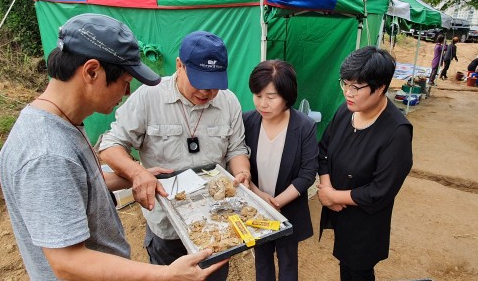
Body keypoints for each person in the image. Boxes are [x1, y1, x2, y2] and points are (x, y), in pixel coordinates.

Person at [0, 13, 226, 281]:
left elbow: (79, 186)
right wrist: (165, 275)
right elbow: (68, 263)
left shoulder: (62, 124)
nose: (127, 94)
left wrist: (135, 175)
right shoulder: (47, 153)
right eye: (125, 83)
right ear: (92, 71)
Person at [97, 31, 251, 280]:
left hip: (217, 220)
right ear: (179, 65)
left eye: (214, 85)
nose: (206, 92)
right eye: (199, 82)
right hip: (167, 225)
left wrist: (242, 172)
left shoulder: (229, 102)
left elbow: (236, 149)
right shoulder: (149, 97)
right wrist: (138, 173)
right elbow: (111, 145)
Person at [317, 46, 413, 281]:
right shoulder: (346, 111)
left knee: (358, 270)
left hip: (366, 222)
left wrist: (334, 197)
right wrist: (326, 187)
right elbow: (324, 151)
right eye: (345, 83)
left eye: (356, 87)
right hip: (340, 211)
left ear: (380, 88)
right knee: (345, 264)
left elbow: (380, 191)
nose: (347, 93)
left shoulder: (396, 132)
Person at [242, 60, 318, 281]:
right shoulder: (247, 121)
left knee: (287, 262)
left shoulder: (304, 127)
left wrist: (277, 203)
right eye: (257, 95)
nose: (262, 104)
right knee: (262, 261)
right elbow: (238, 162)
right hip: (256, 206)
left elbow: (307, 173)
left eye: (271, 97)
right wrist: (258, 195)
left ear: (287, 95)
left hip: (288, 208)